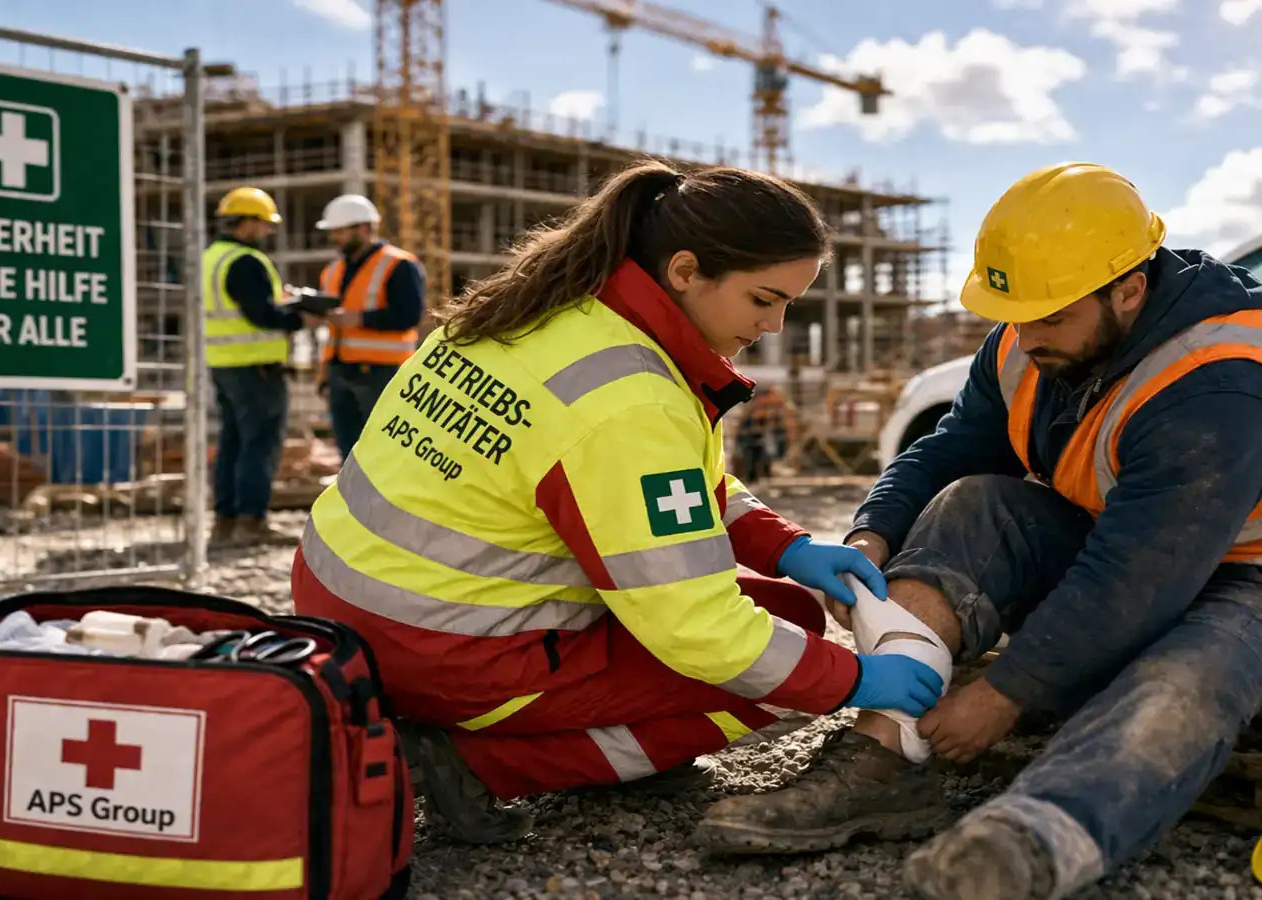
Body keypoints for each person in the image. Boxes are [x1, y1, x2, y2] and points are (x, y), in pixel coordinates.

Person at [693, 162, 1262, 900]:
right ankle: (884, 759)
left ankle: (1031, 840)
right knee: (974, 502)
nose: (1027, 336)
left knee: (1186, 680)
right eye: (1017, 314)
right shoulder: (1026, 341)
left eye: (1051, 316)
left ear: (1129, 290)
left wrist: (1003, 696)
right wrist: (871, 538)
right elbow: (947, 451)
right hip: (1122, 542)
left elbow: (1139, 579)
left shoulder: (1227, 378)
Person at [289, 160, 946, 844]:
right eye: (762, 299)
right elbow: (697, 627)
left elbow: (661, 482)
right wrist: (852, 679)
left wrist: (785, 546)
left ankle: (501, 735)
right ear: (686, 271)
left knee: (779, 613)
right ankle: (467, 762)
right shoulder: (630, 395)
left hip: (343, 608)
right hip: (440, 649)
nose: (776, 325)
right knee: (782, 664)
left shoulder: (544, 310)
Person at [203, 187, 316, 547]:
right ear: (248, 223)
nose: (268, 232)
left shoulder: (212, 257)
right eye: (265, 224)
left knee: (232, 442)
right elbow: (260, 314)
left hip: (223, 364)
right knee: (260, 444)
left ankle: (226, 520)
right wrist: (301, 318)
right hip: (256, 367)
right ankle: (251, 521)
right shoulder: (246, 261)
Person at [313, 193, 426, 459]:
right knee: (348, 453)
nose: (334, 239)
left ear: (363, 229)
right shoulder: (332, 270)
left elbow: (409, 316)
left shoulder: (399, 265)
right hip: (340, 370)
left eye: (339, 232)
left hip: (382, 373)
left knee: (385, 453)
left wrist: (361, 318)